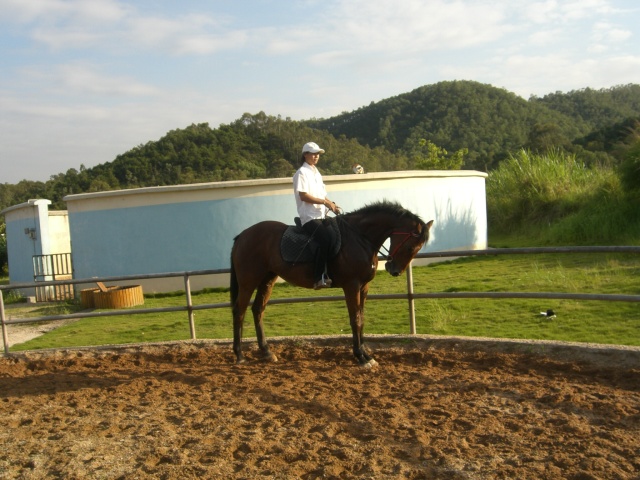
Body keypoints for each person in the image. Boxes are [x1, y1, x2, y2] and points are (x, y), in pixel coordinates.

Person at [293, 142, 341, 289]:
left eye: (318, 154)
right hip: (309, 217)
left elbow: (322, 195)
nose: (316, 156)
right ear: (305, 155)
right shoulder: (301, 173)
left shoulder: (316, 173)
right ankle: (318, 277)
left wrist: (332, 204)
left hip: (321, 215)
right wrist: (324, 203)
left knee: (337, 234)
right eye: (313, 154)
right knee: (326, 239)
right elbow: (303, 196)